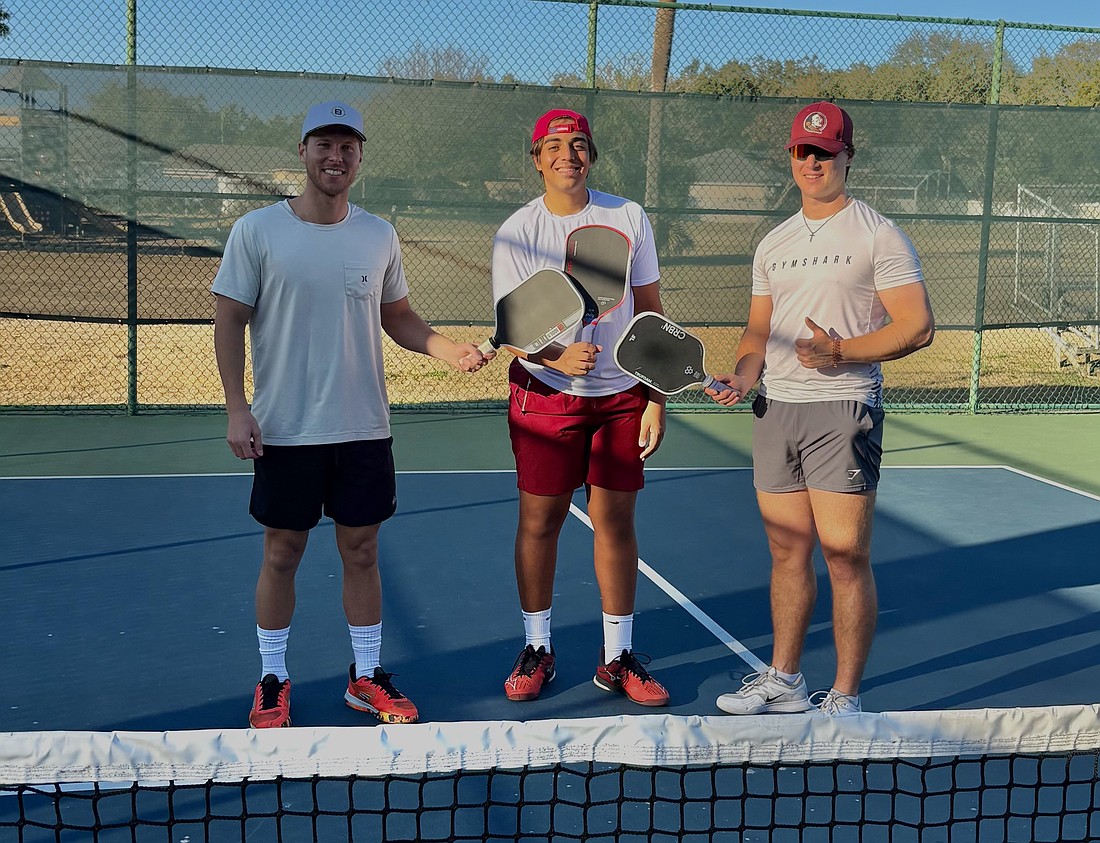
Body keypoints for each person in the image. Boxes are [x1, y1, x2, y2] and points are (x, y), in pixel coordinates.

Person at [212, 101, 488, 729]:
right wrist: (237, 408)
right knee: (282, 553)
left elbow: (398, 316)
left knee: (362, 551)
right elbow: (229, 318)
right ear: (303, 152)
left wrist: (446, 349)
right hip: (283, 427)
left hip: (364, 427)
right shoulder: (256, 231)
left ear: (360, 158)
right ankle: (273, 678)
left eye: (348, 147)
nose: (335, 158)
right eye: (323, 145)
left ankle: (365, 677)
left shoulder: (379, 235)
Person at [708, 101, 934, 716]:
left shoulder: (876, 233)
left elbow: (917, 326)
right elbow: (759, 331)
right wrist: (742, 375)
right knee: (787, 551)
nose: (812, 161)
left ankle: (845, 696)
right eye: (803, 151)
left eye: (824, 151)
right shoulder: (772, 243)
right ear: (790, 157)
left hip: (843, 408)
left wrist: (840, 351)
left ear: (846, 157)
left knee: (844, 554)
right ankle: (784, 678)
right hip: (775, 410)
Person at [490, 108, 670, 707]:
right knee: (540, 523)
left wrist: (654, 395)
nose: (568, 155)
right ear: (536, 158)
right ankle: (536, 647)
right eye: (555, 146)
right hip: (545, 397)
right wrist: (556, 356)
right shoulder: (516, 229)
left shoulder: (628, 217)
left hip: (621, 397)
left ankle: (617, 658)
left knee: (616, 523)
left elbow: (649, 309)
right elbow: (511, 328)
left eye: (579, 145)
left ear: (591, 155)